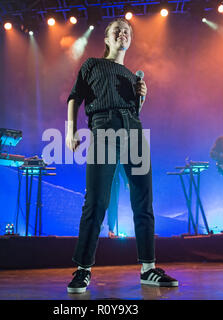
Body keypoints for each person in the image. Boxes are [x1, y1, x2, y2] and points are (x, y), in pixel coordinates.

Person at [65, 18, 178, 294]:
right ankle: (83, 270)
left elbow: (136, 111)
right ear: (106, 38)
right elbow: (74, 97)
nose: (122, 33)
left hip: (134, 131)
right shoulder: (92, 64)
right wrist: (71, 130)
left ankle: (148, 269)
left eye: (127, 31)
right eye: (117, 30)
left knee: (143, 199)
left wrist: (143, 96)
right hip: (103, 127)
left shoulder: (131, 75)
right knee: (97, 200)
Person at [106, 162, 128, 238]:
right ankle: (97, 227)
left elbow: (121, 168)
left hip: (114, 183)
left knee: (113, 206)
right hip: (102, 182)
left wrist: (126, 181)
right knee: (100, 205)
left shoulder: (117, 154)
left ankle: (111, 230)